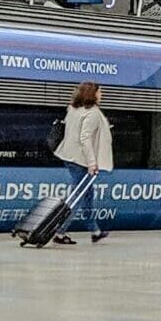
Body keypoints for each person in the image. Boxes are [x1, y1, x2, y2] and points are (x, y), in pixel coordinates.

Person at [50, 81, 115, 244]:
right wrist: (92, 163)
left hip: (68, 156)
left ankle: (95, 230)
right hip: (81, 161)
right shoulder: (92, 113)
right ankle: (59, 232)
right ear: (92, 94)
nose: (102, 95)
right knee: (76, 197)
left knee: (87, 195)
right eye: (100, 92)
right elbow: (85, 138)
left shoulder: (73, 108)